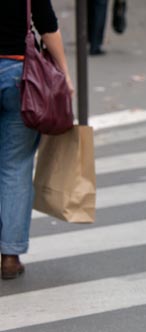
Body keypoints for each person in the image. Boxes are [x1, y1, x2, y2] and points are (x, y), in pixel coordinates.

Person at [0, 0, 73, 280]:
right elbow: (48, 26)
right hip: (20, 76)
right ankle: (9, 255)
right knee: (15, 166)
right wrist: (64, 74)